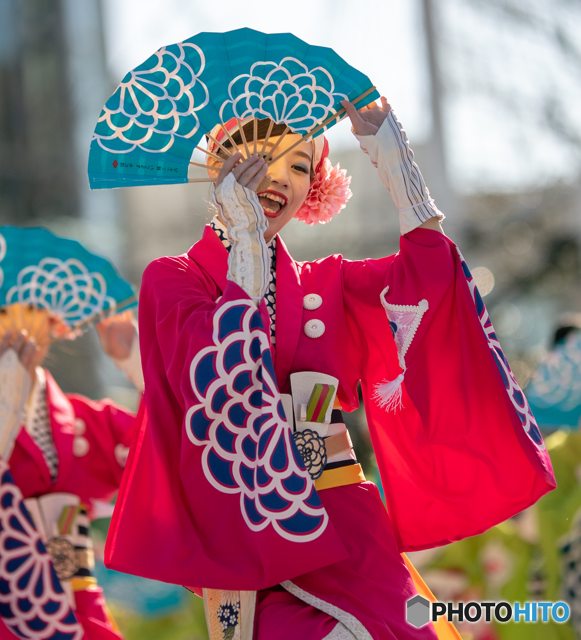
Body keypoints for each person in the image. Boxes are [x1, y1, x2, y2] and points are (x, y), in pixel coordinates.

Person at [104, 99, 555, 639]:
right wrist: (245, 247)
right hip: (250, 529)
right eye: (260, 157)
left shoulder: (327, 284)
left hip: (346, 522)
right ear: (221, 161)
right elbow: (212, 377)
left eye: (299, 165)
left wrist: (395, 163)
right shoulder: (173, 278)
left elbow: (433, 285)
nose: (280, 178)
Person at [0, 310, 142, 640]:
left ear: (53, 323)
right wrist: (4, 410)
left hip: (79, 605)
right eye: (2, 312)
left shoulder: (81, 418)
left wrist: (134, 361)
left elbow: (161, 459)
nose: (17, 323)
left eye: (33, 309)